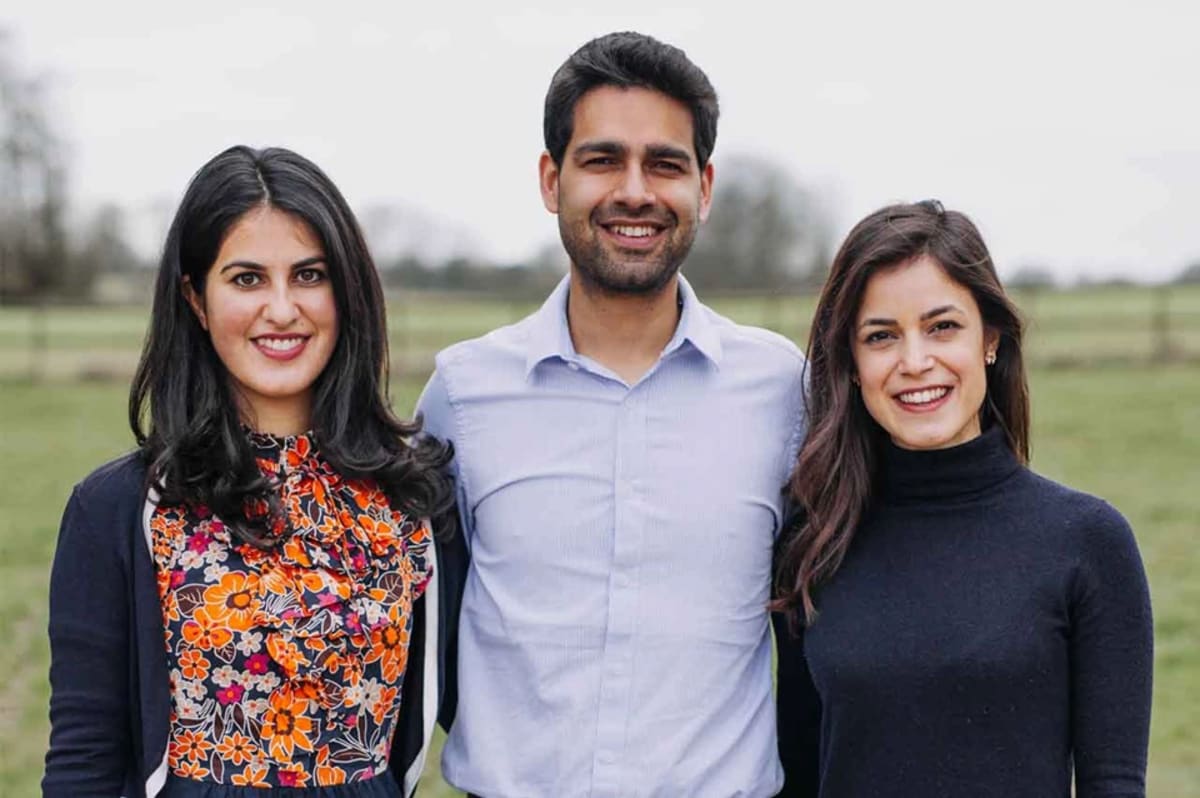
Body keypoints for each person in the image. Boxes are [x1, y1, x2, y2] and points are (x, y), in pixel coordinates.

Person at [416, 31, 806, 797]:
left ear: (706, 185)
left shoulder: (784, 390)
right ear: (550, 179)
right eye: (602, 160)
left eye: (666, 163)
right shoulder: (461, 394)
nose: (636, 191)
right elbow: (428, 629)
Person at [43, 145, 465, 798]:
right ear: (196, 299)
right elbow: (83, 760)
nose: (281, 308)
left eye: (309, 275)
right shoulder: (121, 509)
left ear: (346, 290)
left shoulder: (414, 499)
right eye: (246, 279)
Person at [772, 200, 1154, 797]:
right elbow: (797, 773)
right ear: (850, 362)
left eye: (942, 326)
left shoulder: (1086, 543)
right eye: (881, 336)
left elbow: (1115, 785)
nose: (915, 362)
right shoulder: (812, 541)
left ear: (991, 339)